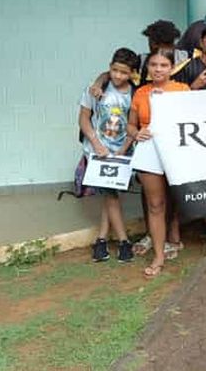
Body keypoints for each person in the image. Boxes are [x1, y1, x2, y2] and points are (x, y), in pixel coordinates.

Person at [127, 49, 190, 277]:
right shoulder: (141, 93)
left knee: (180, 198)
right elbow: (130, 125)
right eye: (154, 65)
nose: (158, 69)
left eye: (164, 65)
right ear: (148, 68)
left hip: (176, 150)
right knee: (155, 204)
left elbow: (192, 119)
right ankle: (159, 255)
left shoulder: (182, 90)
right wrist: (136, 133)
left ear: (172, 68)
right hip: (149, 150)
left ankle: (175, 239)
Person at [75, 48, 141, 263]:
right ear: (109, 67)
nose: (118, 76)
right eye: (114, 70)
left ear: (132, 73)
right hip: (98, 152)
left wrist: (124, 149)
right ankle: (123, 241)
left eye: (124, 72)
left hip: (122, 153)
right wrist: (96, 144)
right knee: (111, 195)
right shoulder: (97, 89)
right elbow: (83, 119)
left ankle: (101, 239)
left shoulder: (134, 93)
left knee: (110, 195)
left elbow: (134, 125)